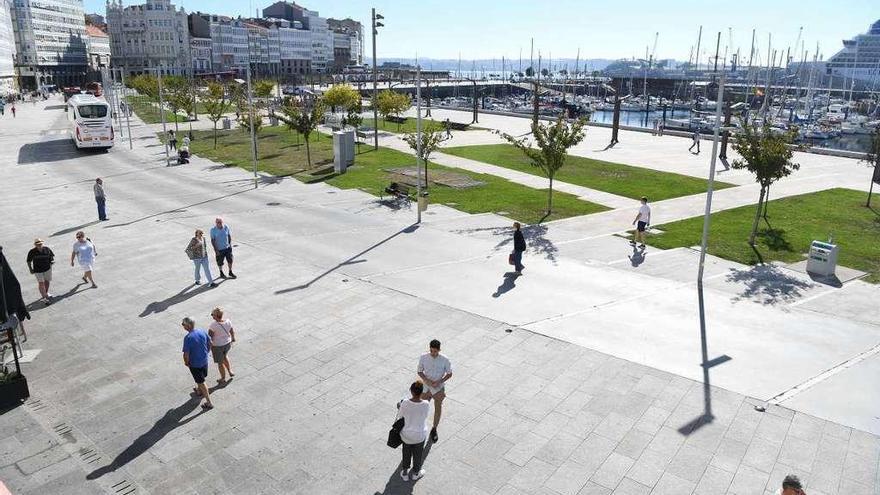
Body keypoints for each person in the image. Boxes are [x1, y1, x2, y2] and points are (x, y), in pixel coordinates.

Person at [417, 339, 452, 443]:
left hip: (438, 386)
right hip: (426, 386)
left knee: (438, 407)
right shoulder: (423, 357)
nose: (433, 353)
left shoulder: (445, 359)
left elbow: (449, 374)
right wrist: (427, 380)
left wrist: (440, 381)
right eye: (431, 351)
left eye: (435, 351)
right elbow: (419, 371)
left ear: (439, 350)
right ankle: (420, 427)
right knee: (422, 406)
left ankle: (434, 429)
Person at [396, 381, 431, 481]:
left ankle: (405, 473)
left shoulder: (405, 403)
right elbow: (425, 416)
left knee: (406, 452)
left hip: (406, 434)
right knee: (418, 454)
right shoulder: (426, 404)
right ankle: (416, 473)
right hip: (420, 435)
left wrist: (400, 406)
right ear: (421, 392)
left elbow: (400, 416)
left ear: (411, 391)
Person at [181, 317, 213, 410]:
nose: (183, 326)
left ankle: (209, 402)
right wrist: (207, 352)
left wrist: (186, 362)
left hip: (195, 364)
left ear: (188, 325)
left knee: (202, 382)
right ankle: (199, 391)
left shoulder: (188, 338)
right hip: (204, 360)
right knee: (201, 378)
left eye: (183, 324)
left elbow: (186, 354)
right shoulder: (201, 331)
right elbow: (210, 342)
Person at [208, 307, 236, 383]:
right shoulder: (228, 321)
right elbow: (231, 330)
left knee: (220, 363)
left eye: (212, 314)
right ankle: (230, 371)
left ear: (216, 316)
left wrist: (209, 347)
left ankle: (223, 378)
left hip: (218, 346)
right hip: (227, 343)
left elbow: (210, 337)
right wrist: (233, 338)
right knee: (225, 356)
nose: (212, 316)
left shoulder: (213, 325)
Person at [26, 238, 55, 304]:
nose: (39, 245)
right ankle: (44, 297)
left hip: (47, 268)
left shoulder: (47, 249)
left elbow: (51, 257)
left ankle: (46, 293)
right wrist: (30, 269)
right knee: (41, 283)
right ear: (35, 245)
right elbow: (28, 261)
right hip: (38, 270)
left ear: (42, 243)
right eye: (38, 244)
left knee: (47, 281)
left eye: (40, 244)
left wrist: (52, 261)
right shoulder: (32, 251)